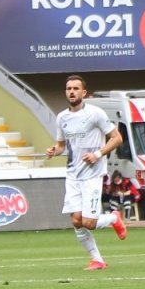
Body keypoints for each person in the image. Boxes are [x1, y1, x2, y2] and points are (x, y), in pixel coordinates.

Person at [45, 75, 128, 270]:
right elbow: (62, 145)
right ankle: (97, 259)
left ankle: (114, 218)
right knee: (76, 220)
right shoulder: (62, 118)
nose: (71, 91)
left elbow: (116, 138)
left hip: (92, 174)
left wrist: (98, 154)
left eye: (75, 88)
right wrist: (53, 151)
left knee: (89, 222)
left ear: (83, 92)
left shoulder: (95, 114)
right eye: (68, 88)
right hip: (73, 174)